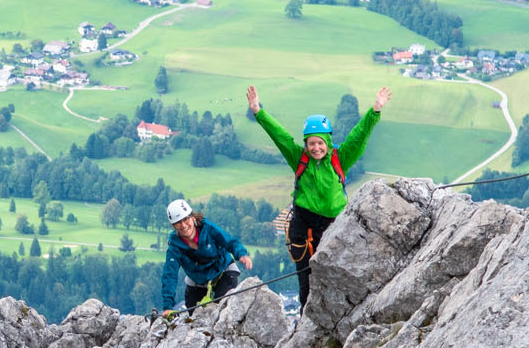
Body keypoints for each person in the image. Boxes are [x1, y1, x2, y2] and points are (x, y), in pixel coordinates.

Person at [247, 83, 390, 307]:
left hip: (334, 227)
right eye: (311, 143)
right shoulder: (299, 159)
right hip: (303, 230)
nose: (315, 148)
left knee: (335, 277)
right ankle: (307, 324)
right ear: (306, 143)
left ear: (328, 142)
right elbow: (280, 136)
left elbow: (358, 136)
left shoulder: (338, 159)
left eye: (320, 142)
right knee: (306, 280)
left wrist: (375, 110)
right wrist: (258, 111)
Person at [158, 198, 252, 313]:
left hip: (223, 272)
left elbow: (229, 242)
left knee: (223, 308)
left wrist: (241, 254)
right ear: (174, 226)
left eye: (185, 219)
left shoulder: (208, 229)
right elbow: (170, 275)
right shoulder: (175, 247)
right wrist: (168, 307)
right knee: (193, 315)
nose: (183, 225)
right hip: (198, 281)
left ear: (192, 217)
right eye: (178, 222)